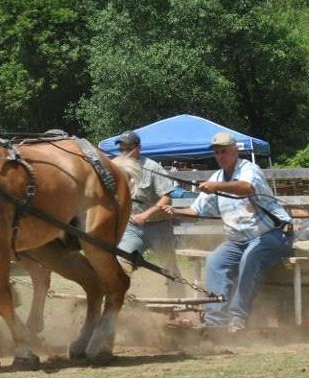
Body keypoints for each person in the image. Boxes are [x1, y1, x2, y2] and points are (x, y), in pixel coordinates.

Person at [161, 132, 293, 333]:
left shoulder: (249, 169)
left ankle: (238, 318)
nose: (220, 156)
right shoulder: (217, 178)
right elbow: (196, 212)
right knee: (215, 261)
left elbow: (246, 187)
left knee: (252, 256)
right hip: (239, 241)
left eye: (224, 151)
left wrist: (216, 187)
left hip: (275, 234)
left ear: (235, 150)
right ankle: (216, 322)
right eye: (217, 152)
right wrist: (176, 212)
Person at [113, 130, 184, 297]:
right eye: (121, 149)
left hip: (159, 227)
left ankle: (179, 308)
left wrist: (146, 215)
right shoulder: (116, 167)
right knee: (121, 262)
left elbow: (167, 198)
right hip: (132, 227)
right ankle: (120, 304)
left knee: (170, 268)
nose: (124, 153)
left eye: (127, 149)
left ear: (138, 148)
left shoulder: (152, 168)